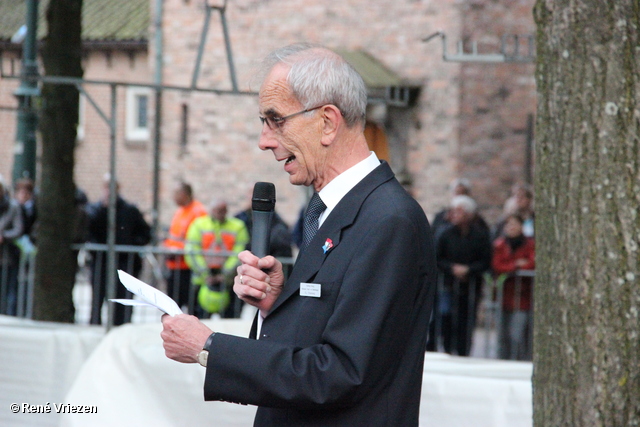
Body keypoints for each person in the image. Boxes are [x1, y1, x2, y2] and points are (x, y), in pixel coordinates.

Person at [161, 43, 436, 426]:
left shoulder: (389, 221)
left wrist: (209, 348)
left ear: (327, 122)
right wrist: (280, 304)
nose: (264, 140)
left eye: (276, 120)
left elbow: (338, 373)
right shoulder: (333, 210)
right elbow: (326, 339)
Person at [86, 175, 151, 325]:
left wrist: (131, 246)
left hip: (124, 264)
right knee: (97, 299)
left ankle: (120, 327)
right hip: (101, 263)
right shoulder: (97, 210)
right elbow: (90, 231)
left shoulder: (130, 210)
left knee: (122, 301)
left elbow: (144, 233)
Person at [433, 195, 491, 356]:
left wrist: (469, 270)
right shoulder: (444, 233)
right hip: (448, 285)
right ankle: (446, 349)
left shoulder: (480, 235)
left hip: (469, 285)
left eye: (460, 211)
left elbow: (485, 260)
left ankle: (463, 350)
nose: (455, 215)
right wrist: (452, 268)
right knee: (446, 318)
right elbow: (437, 257)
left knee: (466, 319)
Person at [184, 199, 249, 319]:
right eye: (216, 210)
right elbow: (192, 252)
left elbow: (239, 253)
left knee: (230, 320)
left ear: (226, 211)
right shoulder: (198, 224)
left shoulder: (237, 226)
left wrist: (225, 275)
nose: (219, 213)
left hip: (229, 282)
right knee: (198, 320)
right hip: (201, 282)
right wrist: (205, 274)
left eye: (222, 211)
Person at [491, 213, 535, 360]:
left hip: (523, 297)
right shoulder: (499, 245)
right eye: (509, 225)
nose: (512, 227)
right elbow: (497, 265)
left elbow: (531, 264)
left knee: (518, 333)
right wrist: (516, 265)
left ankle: (519, 361)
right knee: (502, 335)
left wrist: (510, 266)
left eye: (515, 224)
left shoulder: (530, 244)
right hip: (503, 296)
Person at [163, 182, 207, 313]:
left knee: (191, 307)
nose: (173, 197)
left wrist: (178, 250)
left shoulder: (198, 212)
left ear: (185, 194)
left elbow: (198, 240)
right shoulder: (180, 211)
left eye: (176, 193)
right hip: (174, 266)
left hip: (188, 268)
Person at [0, 176, 24, 316]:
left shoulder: (13, 207)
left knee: (9, 289)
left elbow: (18, 229)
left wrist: (4, 236)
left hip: (7, 256)